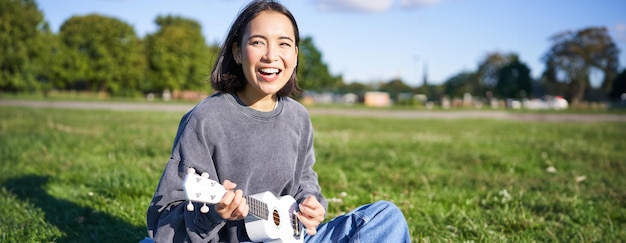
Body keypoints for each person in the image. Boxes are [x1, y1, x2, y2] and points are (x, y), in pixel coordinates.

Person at [144, 0, 411, 242]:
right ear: (237, 53)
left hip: (293, 237)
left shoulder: (298, 117)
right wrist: (213, 215)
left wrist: (311, 203)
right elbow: (164, 222)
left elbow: (305, 180)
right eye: (258, 42)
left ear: (295, 55)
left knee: (385, 216)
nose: (271, 55)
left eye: (284, 43)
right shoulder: (205, 118)